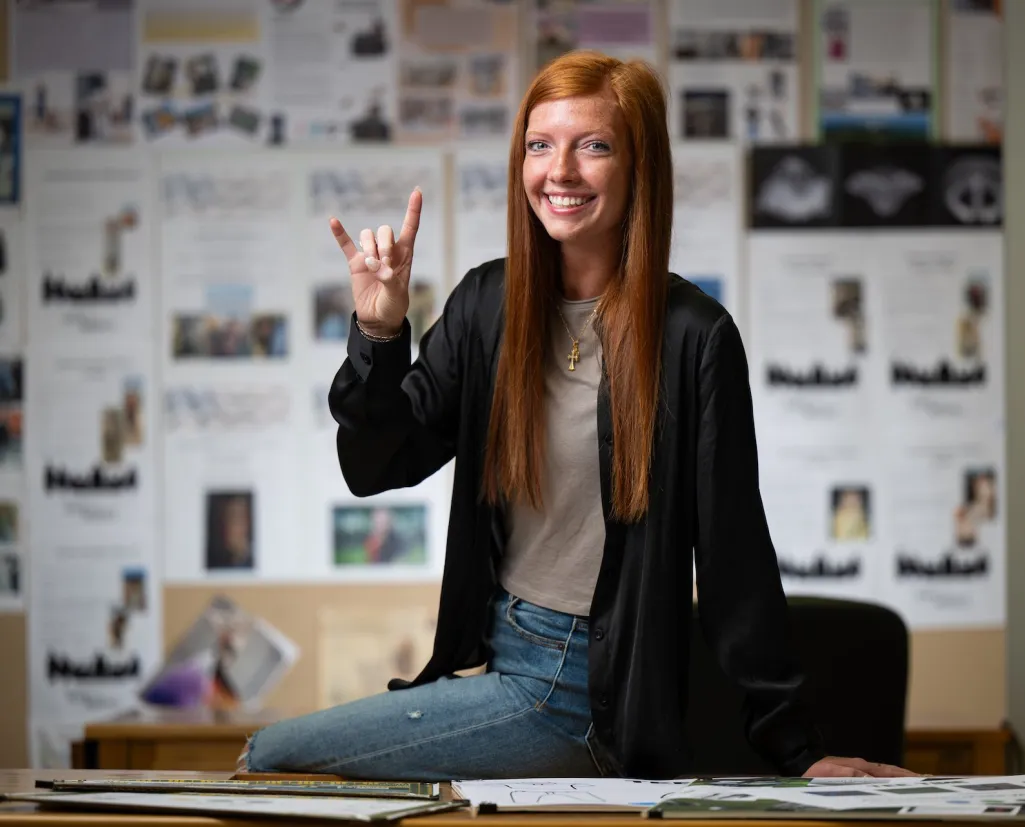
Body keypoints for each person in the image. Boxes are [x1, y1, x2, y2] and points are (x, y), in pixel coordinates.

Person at [240, 51, 916, 782]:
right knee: (273, 759)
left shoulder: (694, 335)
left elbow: (734, 556)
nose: (558, 170)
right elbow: (375, 465)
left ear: (638, 168)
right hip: (504, 652)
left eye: (592, 145)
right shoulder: (486, 305)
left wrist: (801, 749)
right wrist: (379, 335)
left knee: (272, 757)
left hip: (584, 692)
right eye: (540, 145)